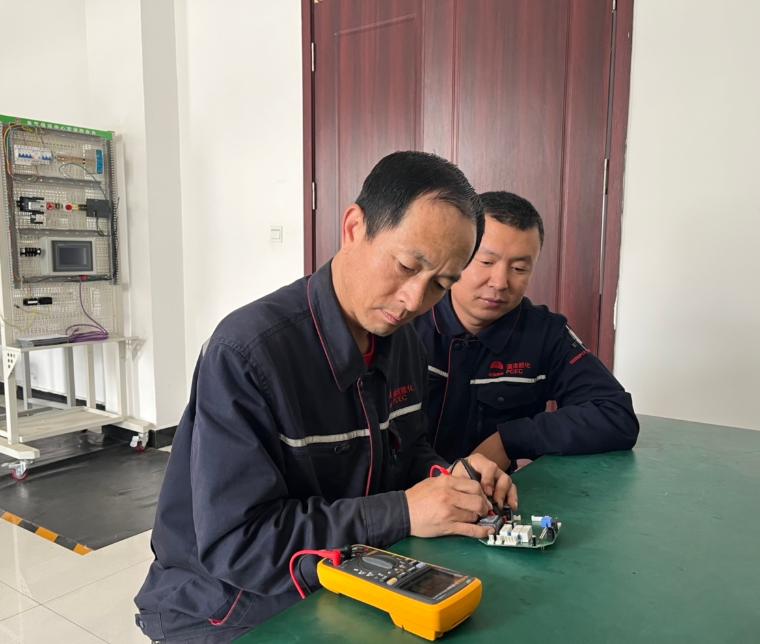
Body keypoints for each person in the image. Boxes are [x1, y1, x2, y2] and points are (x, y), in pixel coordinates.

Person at [134, 153, 517, 643]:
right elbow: (239, 544)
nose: (414, 300)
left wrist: (449, 478)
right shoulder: (248, 353)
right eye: (406, 266)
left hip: (348, 572)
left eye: (441, 285)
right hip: (226, 603)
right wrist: (402, 512)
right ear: (354, 227)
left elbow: (407, 451)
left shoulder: (404, 343)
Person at [414, 191, 639, 471]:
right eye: (486, 262)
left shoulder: (545, 334)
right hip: (404, 494)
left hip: (491, 494)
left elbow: (616, 415)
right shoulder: (408, 318)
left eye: (519, 268)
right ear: (457, 255)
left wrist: (509, 440)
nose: (500, 282)